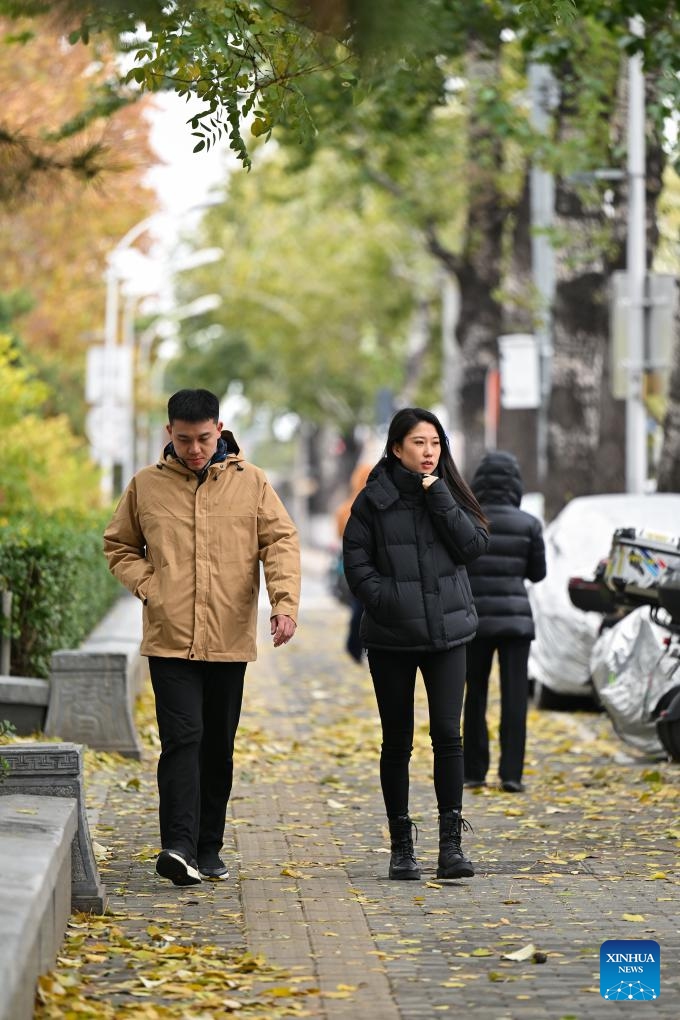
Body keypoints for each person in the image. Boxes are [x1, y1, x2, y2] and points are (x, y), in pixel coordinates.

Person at [104, 388, 300, 887]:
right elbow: (120, 545)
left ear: (220, 429)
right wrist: (152, 588)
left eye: (204, 439)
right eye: (185, 439)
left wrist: (284, 604)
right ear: (169, 433)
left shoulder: (251, 482)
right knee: (181, 740)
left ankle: (209, 846)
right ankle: (178, 846)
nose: (195, 449)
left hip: (228, 636)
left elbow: (280, 541)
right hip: (169, 637)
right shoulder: (145, 485)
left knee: (217, 745)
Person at [342, 408, 489, 881]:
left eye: (435, 444)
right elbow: (356, 561)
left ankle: (451, 847)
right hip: (391, 637)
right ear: (396, 447)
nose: (429, 452)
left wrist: (440, 496)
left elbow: (473, 548)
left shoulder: (448, 492)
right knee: (397, 741)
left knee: (448, 735)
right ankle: (401, 847)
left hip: (449, 636)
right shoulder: (373, 499)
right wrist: (386, 600)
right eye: (419, 443)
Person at [463, 450, 546, 794]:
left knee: (475, 694)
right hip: (516, 623)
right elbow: (537, 573)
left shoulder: (468, 520)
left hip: (475, 620)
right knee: (514, 697)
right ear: (515, 484)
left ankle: (473, 771)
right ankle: (511, 774)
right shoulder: (528, 524)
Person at [334, 462, 372, 663]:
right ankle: (356, 644)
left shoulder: (344, 508)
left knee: (358, 603)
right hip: (369, 561)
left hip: (348, 561)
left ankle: (354, 645)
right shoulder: (373, 506)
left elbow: (339, 534)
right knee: (364, 605)